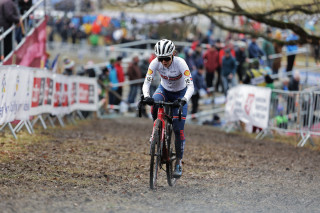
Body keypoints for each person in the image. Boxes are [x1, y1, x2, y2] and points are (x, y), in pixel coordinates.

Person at [142, 39, 194, 178]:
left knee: (178, 129)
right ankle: (157, 130)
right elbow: (146, 82)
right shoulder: (155, 63)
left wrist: (184, 100)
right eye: (161, 58)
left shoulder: (181, 63)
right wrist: (147, 96)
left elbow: (191, 86)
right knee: (155, 103)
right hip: (164, 90)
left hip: (180, 93)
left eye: (166, 58)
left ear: (172, 54)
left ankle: (178, 161)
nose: (163, 62)